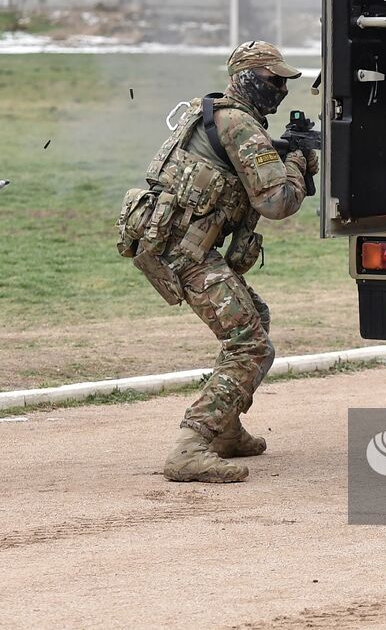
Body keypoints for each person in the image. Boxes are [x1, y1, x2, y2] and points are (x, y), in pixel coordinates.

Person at [118, 41, 317, 483]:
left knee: (256, 318)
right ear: (246, 77)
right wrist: (300, 164)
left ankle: (226, 429)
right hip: (185, 251)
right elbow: (277, 202)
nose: (282, 89)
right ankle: (191, 445)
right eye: (273, 79)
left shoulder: (213, 111)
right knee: (251, 343)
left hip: (177, 244)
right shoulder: (241, 124)